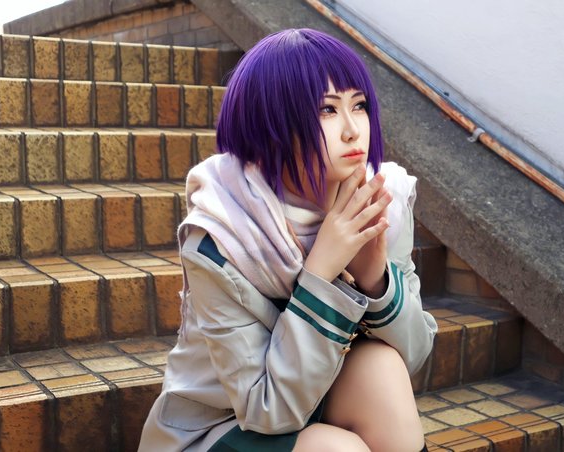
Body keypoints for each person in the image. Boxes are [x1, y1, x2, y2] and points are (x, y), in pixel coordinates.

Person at [138, 28, 438, 452]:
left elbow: (414, 354)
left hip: (313, 397)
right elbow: (265, 409)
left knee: (383, 367)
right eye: (327, 110)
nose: (352, 130)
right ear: (271, 125)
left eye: (359, 105)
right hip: (220, 426)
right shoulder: (224, 235)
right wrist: (320, 273)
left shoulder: (379, 201)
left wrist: (375, 279)